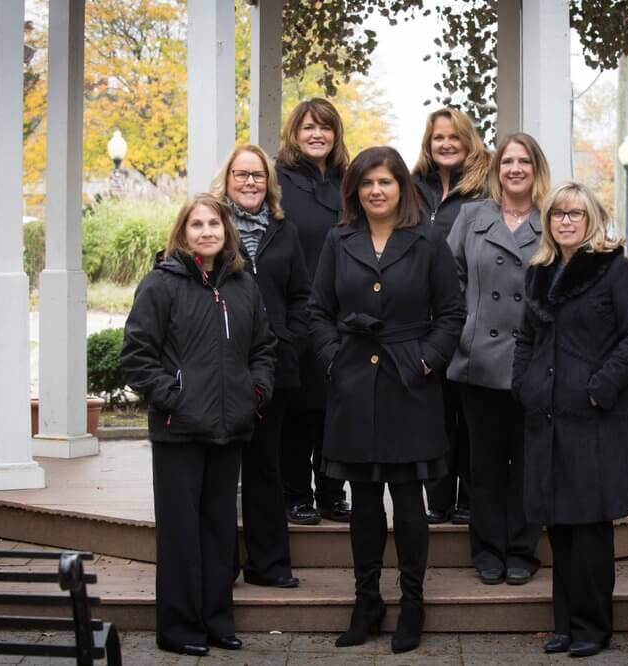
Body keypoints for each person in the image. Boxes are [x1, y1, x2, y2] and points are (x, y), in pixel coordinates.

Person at [308, 146, 465, 654]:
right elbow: (317, 310)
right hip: (354, 381)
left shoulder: (427, 241)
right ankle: (366, 601)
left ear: (403, 188)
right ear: (354, 189)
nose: (376, 190)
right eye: (367, 182)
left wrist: (426, 360)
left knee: (409, 500)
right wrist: (333, 359)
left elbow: (452, 313)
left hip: (410, 382)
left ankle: (413, 603)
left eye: (386, 182)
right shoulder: (339, 239)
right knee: (364, 501)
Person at [121, 193, 276, 656]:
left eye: (214, 224)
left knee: (218, 530)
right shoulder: (160, 285)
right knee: (181, 533)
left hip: (229, 430)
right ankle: (179, 629)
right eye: (197, 224)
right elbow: (137, 358)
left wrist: (255, 393)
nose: (206, 231)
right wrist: (174, 398)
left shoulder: (244, 286)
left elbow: (264, 349)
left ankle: (216, 622)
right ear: (182, 233)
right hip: (179, 430)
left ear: (226, 232)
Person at [512, 182, 628, 658]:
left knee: (591, 528)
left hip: (595, 419)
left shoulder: (617, 271)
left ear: (593, 218)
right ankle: (565, 625)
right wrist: (525, 385)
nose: (566, 221)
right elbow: (526, 341)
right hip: (548, 417)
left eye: (575, 213)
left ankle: (593, 626)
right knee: (561, 527)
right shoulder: (540, 273)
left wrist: (599, 387)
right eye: (557, 215)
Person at [446, 132, 549, 586]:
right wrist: (464, 326)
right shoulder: (471, 216)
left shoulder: (554, 217)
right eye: (507, 161)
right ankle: (487, 549)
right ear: (496, 169)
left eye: (524, 161)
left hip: (533, 359)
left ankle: (522, 549)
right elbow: (449, 279)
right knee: (484, 463)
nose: (515, 169)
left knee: (528, 462)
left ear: (535, 168)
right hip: (478, 359)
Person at [210, 144, 308, 589]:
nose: (250, 182)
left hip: (274, 365)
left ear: (269, 183)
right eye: (241, 174)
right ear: (227, 179)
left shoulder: (284, 231)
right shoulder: (211, 225)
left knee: (266, 469)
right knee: (221, 469)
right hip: (220, 367)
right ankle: (219, 565)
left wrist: (290, 336)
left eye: (258, 175)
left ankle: (269, 566)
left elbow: (302, 294)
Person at [411, 107, 491, 526]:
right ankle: (438, 499)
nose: (445, 144)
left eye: (453, 137)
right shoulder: (413, 187)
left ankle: (469, 500)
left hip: (475, 315)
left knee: (471, 414)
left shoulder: (486, 189)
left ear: (468, 140)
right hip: (424, 321)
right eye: (438, 137)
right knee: (436, 414)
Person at [276, 99, 352, 526]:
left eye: (325, 127)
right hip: (296, 308)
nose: (316, 135)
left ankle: (331, 492)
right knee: (298, 411)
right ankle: (296, 494)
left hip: (344, 313)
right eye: (308, 127)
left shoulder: (349, 181)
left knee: (334, 409)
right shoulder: (278, 179)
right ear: (295, 133)